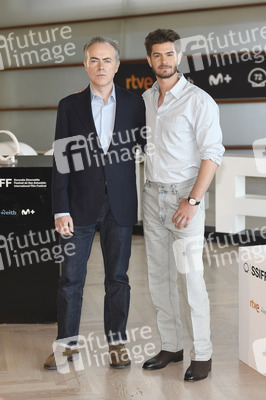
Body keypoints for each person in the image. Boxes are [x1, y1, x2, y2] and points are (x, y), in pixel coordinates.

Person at [44, 36, 146, 370]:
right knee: (70, 280)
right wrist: (60, 209)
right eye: (94, 60)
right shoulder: (68, 106)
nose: (100, 67)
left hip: (120, 206)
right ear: (85, 64)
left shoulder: (135, 105)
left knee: (118, 278)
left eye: (107, 60)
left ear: (117, 65)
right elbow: (61, 161)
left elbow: (148, 147)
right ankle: (66, 346)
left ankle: (117, 344)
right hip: (77, 207)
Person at [141, 29, 224, 381]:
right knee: (159, 278)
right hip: (151, 196)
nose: (164, 61)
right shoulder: (144, 99)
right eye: (157, 55)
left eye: (170, 54)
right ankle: (172, 346)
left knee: (191, 279)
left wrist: (192, 201)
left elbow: (213, 154)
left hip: (183, 198)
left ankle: (201, 353)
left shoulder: (198, 100)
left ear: (179, 56)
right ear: (149, 60)